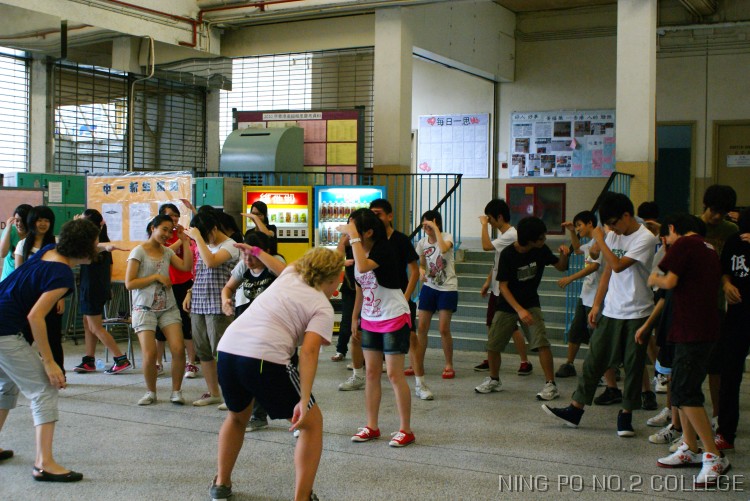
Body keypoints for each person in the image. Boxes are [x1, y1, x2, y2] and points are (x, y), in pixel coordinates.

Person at [209, 246, 342, 501]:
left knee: (237, 416)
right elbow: (309, 352)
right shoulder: (322, 306)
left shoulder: (290, 274)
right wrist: (304, 400)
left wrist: (257, 250)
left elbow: (281, 265)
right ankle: (302, 497)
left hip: (227, 351)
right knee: (312, 423)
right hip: (264, 358)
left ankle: (221, 484)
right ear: (334, 278)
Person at [543, 192, 658, 437]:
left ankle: (626, 415)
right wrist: (597, 304)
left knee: (633, 364)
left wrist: (600, 237)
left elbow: (617, 265)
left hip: (637, 310)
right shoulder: (614, 234)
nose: (612, 229)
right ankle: (575, 409)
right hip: (612, 309)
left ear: (627, 215)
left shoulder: (645, 238)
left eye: (614, 223)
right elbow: (606, 270)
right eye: (609, 225)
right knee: (594, 359)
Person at [0, 218, 100, 482]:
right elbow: (36, 317)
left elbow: (78, 246)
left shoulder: (49, 250)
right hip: (4, 332)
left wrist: (101, 244)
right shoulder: (61, 274)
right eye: (95, 243)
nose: (97, 247)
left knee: (6, 384)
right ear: (84, 247)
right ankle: (44, 464)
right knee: (44, 389)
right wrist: (49, 361)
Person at [646, 213, 730, 487]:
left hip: (691, 330)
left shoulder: (685, 244)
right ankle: (690, 447)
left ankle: (713, 456)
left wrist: (653, 278)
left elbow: (668, 281)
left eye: (666, 236)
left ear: (672, 229)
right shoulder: (708, 247)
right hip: (702, 327)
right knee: (682, 391)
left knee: (685, 392)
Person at [337, 209, 415, 447]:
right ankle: (372, 426)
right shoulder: (356, 250)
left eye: (353, 229)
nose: (349, 233)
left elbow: (362, 268)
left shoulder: (383, 248)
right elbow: (360, 287)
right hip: (370, 318)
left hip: (393, 316)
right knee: (370, 372)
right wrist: (355, 317)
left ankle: (406, 429)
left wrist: (353, 238)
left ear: (368, 232)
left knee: (393, 374)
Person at [474, 216, 569, 400]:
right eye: (540, 238)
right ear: (529, 240)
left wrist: (564, 255)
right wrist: (519, 310)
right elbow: (503, 286)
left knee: (541, 342)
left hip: (531, 302)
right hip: (508, 304)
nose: (544, 240)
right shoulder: (508, 254)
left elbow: (561, 267)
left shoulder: (541, 249)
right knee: (493, 344)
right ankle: (494, 379)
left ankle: (551, 384)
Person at [220, 230, 285, 430]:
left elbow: (286, 274)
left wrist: (259, 253)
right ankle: (254, 413)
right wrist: (226, 301)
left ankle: (295, 415)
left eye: (252, 255)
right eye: (244, 255)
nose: (247, 260)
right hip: (247, 322)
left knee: (273, 373)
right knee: (249, 367)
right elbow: (228, 288)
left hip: (272, 325)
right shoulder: (243, 266)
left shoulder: (275, 262)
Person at [125, 215, 193, 405]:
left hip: (167, 307)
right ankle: (151, 392)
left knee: (178, 349)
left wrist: (184, 241)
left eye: (170, 231)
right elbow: (129, 283)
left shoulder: (167, 252)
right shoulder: (139, 251)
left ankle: (176, 391)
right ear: (153, 228)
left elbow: (186, 267)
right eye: (164, 229)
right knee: (150, 353)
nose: (167, 234)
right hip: (144, 307)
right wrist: (155, 277)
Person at [184, 211, 240, 407]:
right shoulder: (205, 245)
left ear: (214, 228)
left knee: (222, 351)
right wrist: (190, 292)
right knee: (203, 351)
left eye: (205, 234)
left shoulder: (231, 246)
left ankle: (232, 395)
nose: (204, 239)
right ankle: (214, 393)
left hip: (218, 305)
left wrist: (198, 239)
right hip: (199, 303)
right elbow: (199, 272)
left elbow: (211, 262)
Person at [72, 209, 132, 375]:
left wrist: (75, 226)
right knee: (87, 323)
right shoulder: (100, 242)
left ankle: (120, 358)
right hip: (93, 287)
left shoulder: (97, 243)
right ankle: (89, 360)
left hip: (92, 289)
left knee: (95, 326)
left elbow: (85, 249)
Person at [476, 199, 532, 377]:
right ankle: (492, 355)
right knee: (492, 323)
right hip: (496, 288)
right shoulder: (504, 236)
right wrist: (488, 281)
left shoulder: (511, 235)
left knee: (510, 327)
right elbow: (497, 262)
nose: (489, 222)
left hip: (505, 290)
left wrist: (483, 225)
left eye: (490, 219)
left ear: (499, 217)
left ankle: (524, 361)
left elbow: (486, 246)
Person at [15, 206, 66, 374]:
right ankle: (22, 373)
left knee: (53, 338)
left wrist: (61, 298)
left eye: (47, 220)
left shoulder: (56, 244)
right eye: (39, 220)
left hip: (50, 297)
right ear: (32, 222)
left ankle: (59, 373)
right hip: (28, 299)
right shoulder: (23, 244)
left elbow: (61, 272)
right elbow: (18, 274)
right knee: (25, 337)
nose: (43, 224)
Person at [715, 208, 750, 451]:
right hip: (737, 316)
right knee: (729, 374)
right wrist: (726, 284)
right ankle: (726, 432)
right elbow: (725, 270)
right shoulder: (734, 242)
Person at [555, 211, 603, 378]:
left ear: (590, 223)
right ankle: (569, 364)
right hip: (585, 296)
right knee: (575, 331)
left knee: (597, 335)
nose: (578, 229)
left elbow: (594, 266)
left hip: (597, 297)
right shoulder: (590, 243)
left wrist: (570, 278)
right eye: (576, 226)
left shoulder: (600, 242)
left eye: (579, 225)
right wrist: (571, 232)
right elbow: (576, 249)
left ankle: (605, 369)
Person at [414, 209, 458, 386]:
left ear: (436, 223)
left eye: (428, 224)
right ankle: (418, 364)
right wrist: (421, 271)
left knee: (443, 328)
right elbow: (422, 264)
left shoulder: (447, 236)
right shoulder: (422, 243)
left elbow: (444, 249)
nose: (426, 228)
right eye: (424, 225)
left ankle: (449, 364)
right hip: (429, 287)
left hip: (447, 288)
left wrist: (436, 230)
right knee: (422, 327)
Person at [156, 203, 199, 380]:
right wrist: (180, 240)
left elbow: (190, 256)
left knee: (186, 322)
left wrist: (184, 238)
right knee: (160, 324)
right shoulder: (160, 234)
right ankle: (157, 363)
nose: (174, 218)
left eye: (176, 215)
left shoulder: (183, 233)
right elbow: (163, 252)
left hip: (183, 282)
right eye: (170, 215)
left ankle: (192, 362)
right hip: (164, 283)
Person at [0, 204, 31, 282]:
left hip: (25, 280)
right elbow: (2, 254)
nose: (19, 224)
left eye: (23, 221)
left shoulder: (34, 234)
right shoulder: (11, 231)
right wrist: (8, 229)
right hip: (8, 280)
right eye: (17, 220)